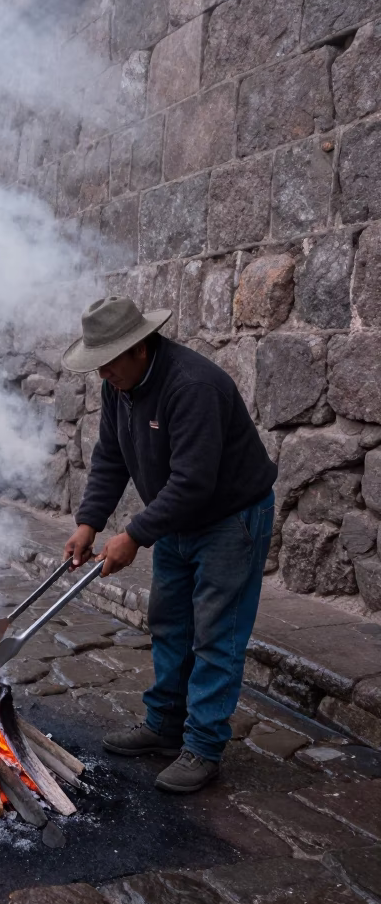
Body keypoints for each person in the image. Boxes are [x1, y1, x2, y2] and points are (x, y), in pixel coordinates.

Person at [62, 297, 277, 793]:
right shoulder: (120, 387)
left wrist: (134, 536)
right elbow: (111, 456)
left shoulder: (191, 385)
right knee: (169, 623)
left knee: (215, 634)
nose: (104, 373)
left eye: (111, 360)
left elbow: (195, 480)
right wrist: (89, 523)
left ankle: (202, 746)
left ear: (140, 347)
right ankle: (163, 725)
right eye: (98, 364)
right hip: (177, 520)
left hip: (230, 519)